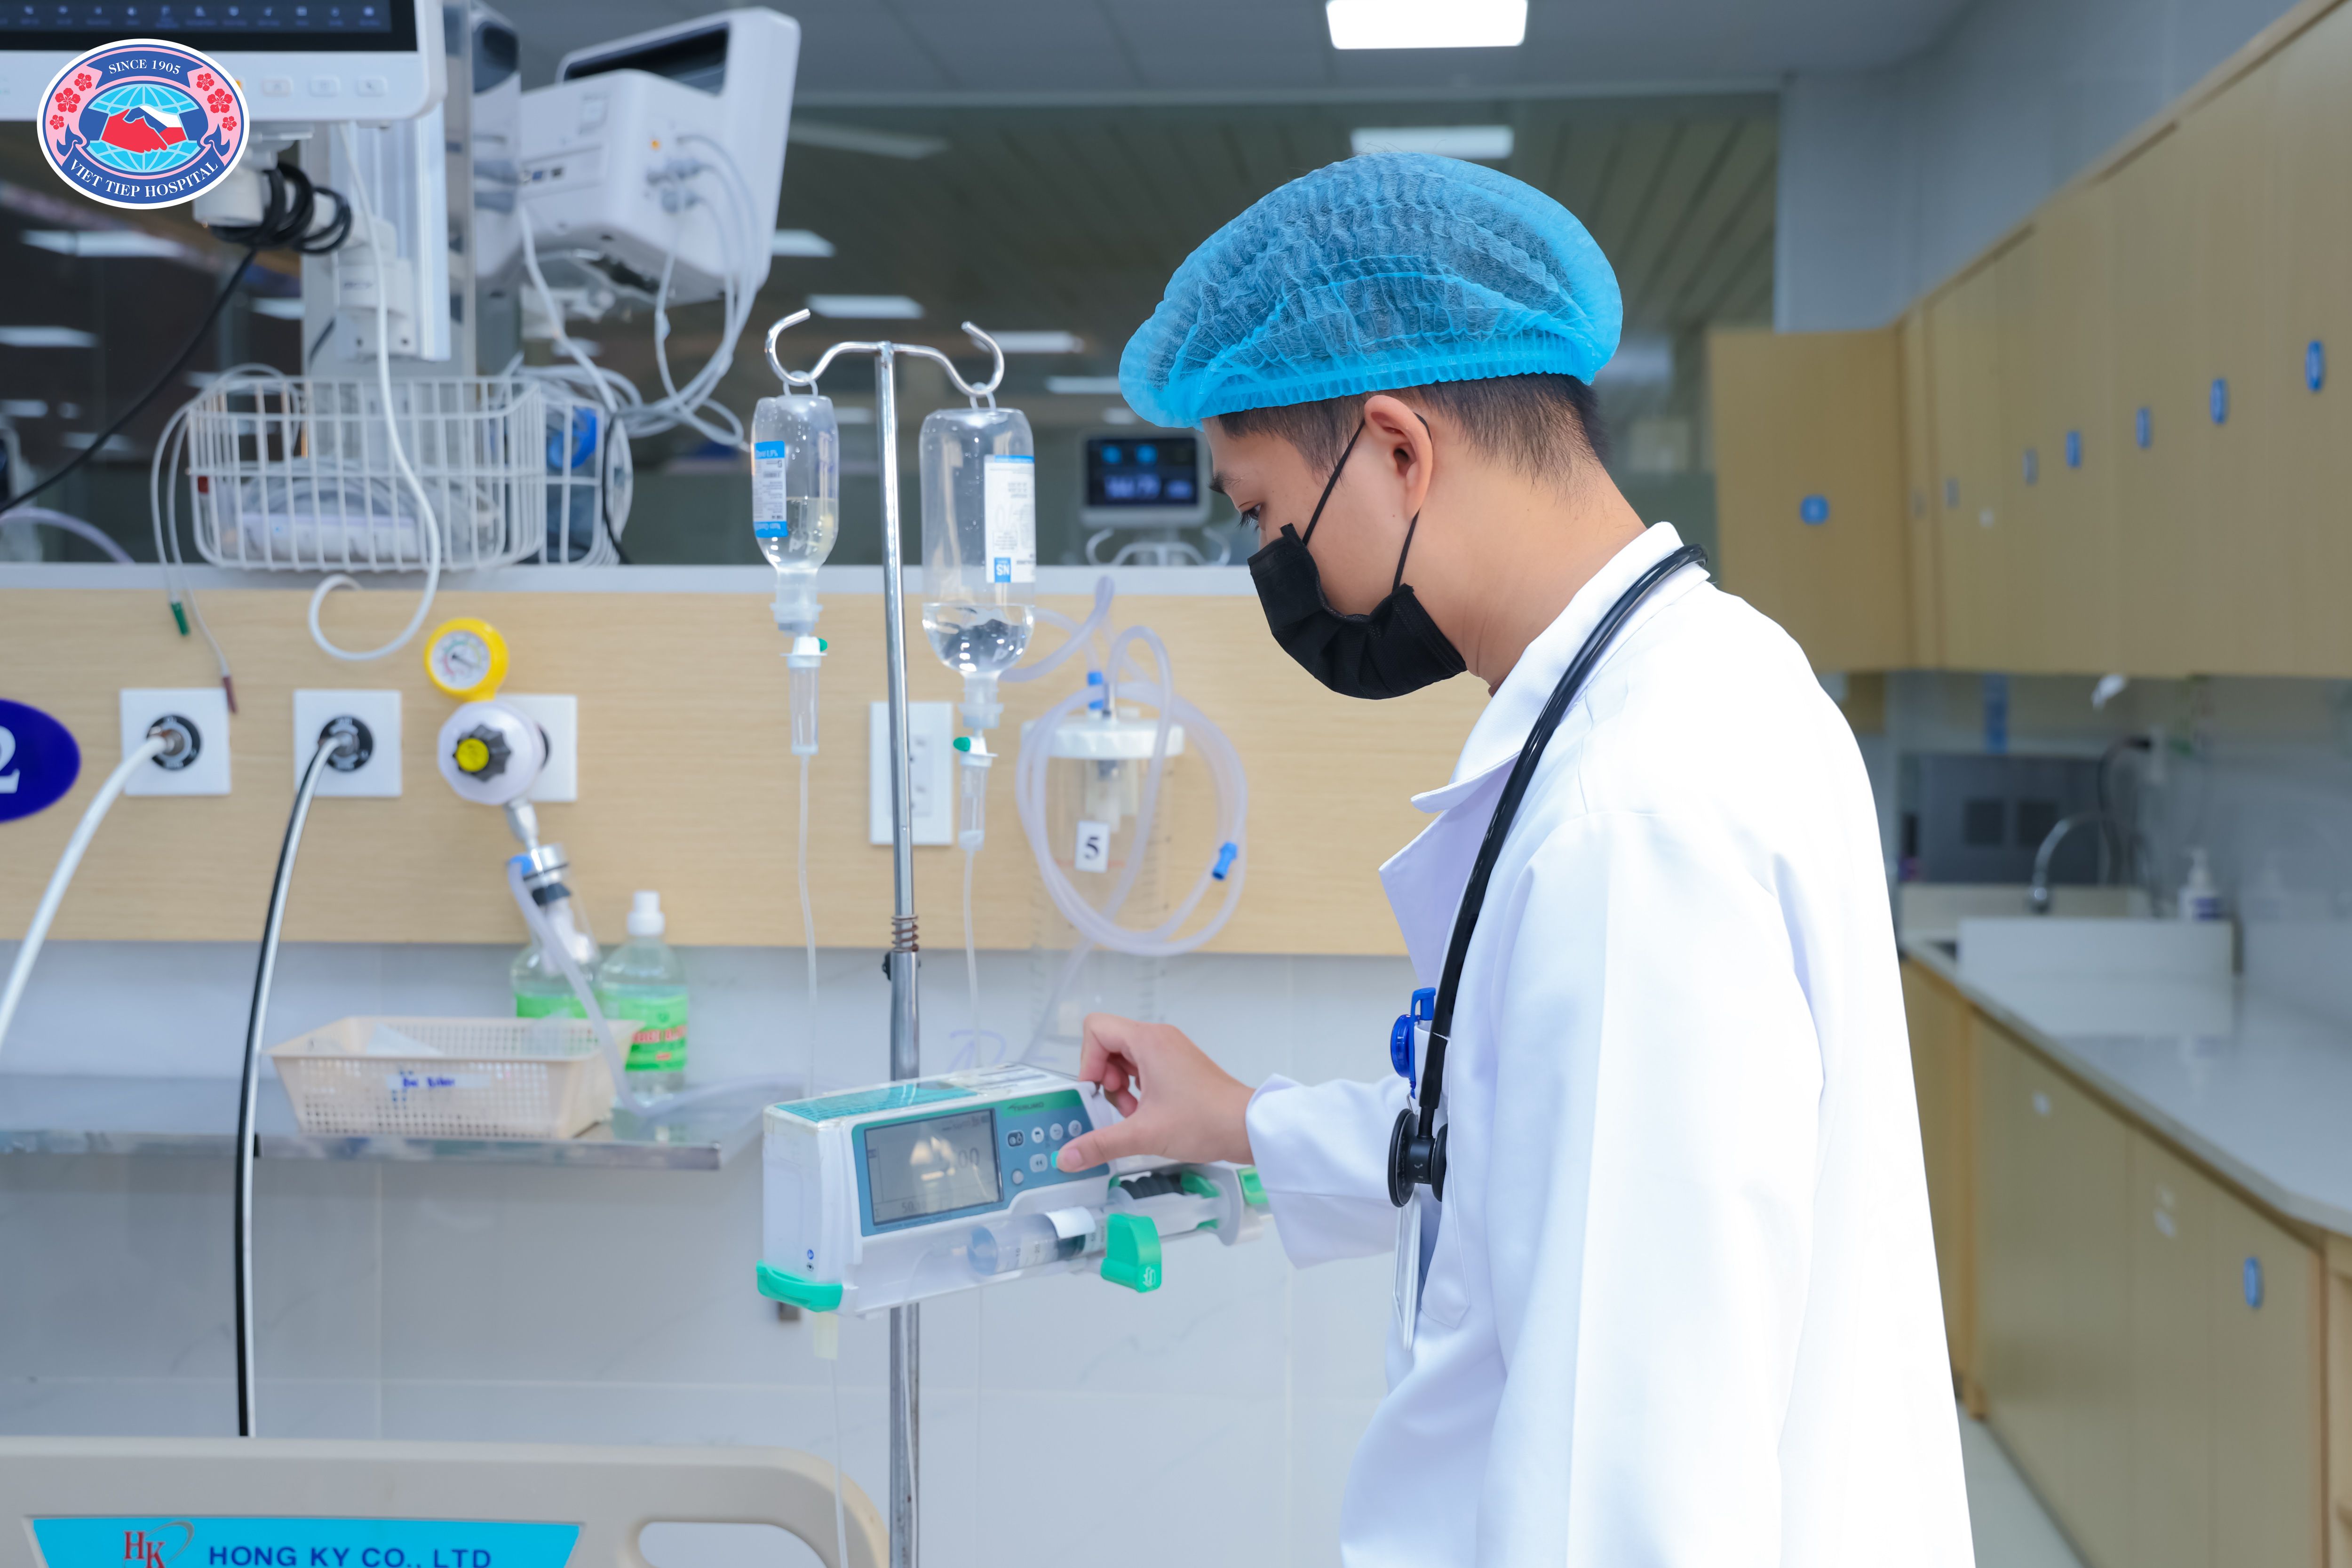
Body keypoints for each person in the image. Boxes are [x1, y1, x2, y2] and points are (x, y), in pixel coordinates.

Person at [1054, 154, 1975, 1566]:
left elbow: (1629, 1474)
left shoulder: (1629, 821)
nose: (1273, 563)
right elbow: (1520, 1155)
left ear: (1398, 451)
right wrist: (1242, 1122)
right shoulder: (1708, 680)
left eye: (1261, 513)